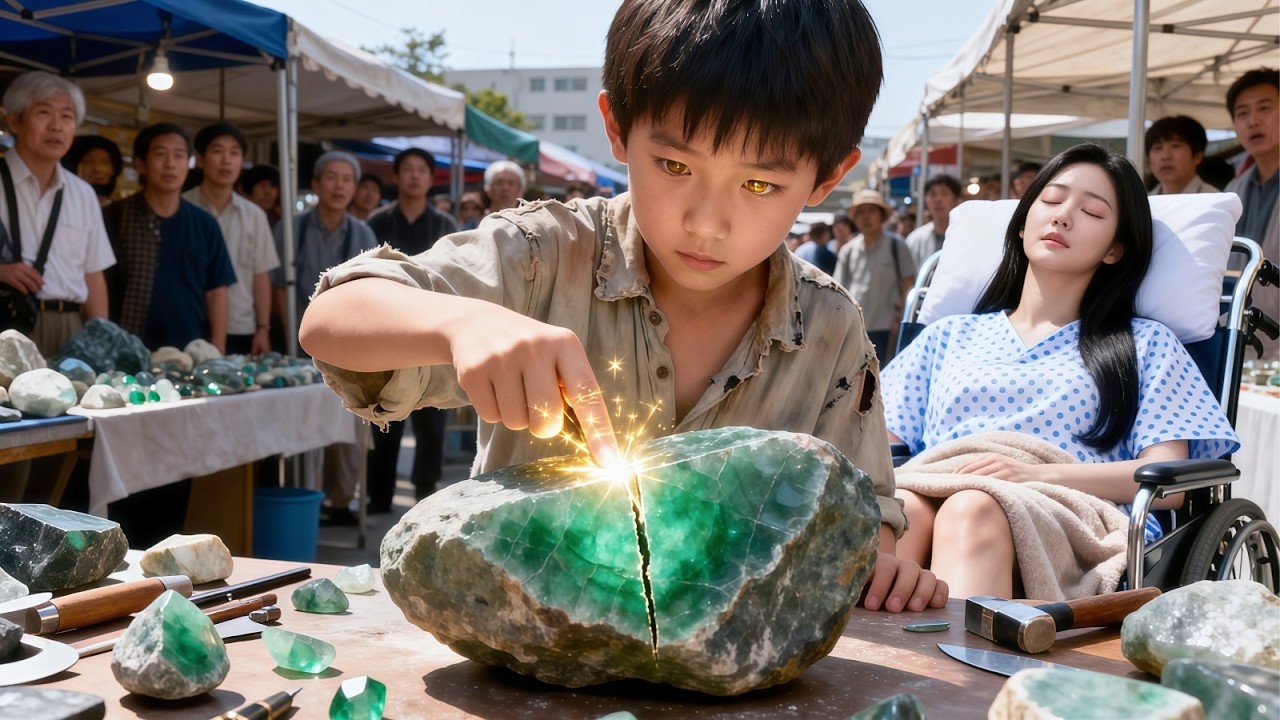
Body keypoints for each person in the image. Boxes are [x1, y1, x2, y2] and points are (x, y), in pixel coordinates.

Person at [301, 0, 947, 615]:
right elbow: (333, 319)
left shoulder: (830, 328)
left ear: (828, 177)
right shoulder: (544, 255)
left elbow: (866, 517)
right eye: (672, 164)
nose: (706, 223)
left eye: (759, 184)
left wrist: (880, 566)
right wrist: (461, 321)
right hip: (520, 656)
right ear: (617, 128)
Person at [882, 143, 1238, 600]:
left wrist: (1033, 476)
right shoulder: (947, 336)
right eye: (1050, 200)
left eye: (1091, 211)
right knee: (894, 513)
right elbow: (883, 452)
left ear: (1114, 250)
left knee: (972, 509)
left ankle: (957, 671)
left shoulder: (1145, 344)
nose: (1063, 216)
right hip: (937, 483)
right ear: (1025, 220)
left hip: (1075, 514)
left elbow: (1165, 483)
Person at [272, 151, 377, 527]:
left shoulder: (362, 232)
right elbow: (276, 286)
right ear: (315, 184)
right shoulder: (292, 227)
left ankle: (341, 501)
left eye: (347, 179)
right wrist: (293, 335)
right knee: (305, 426)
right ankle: (308, 496)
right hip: (297, 342)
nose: (338, 185)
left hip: (347, 344)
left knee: (347, 419)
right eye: (331, 177)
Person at [364, 148, 460, 512]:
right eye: (408, 169)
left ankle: (425, 489)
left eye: (422, 170)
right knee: (383, 412)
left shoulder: (444, 224)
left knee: (433, 415)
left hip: (431, 328)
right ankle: (380, 495)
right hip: (385, 328)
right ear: (397, 176)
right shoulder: (377, 220)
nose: (415, 176)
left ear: (431, 178)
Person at [0, 71, 115, 357]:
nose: (56, 126)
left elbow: (93, 274)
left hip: (69, 325)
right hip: (5, 322)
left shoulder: (82, 193)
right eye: (43, 113)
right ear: (14, 120)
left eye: (66, 116)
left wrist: (101, 339)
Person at [104, 123, 235, 352]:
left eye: (179, 155)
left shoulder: (205, 224)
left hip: (190, 350)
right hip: (126, 349)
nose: (171, 164)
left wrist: (218, 349)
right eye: (160, 154)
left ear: (189, 163)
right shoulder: (115, 217)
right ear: (140, 164)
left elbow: (216, 291)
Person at [184, 123, 281, 356]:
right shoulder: (182, 207)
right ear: (200, 159)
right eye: (217, 151)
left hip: (241, 326)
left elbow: (261, 275)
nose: (227, 160)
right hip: (189, 324)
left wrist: (263, 328)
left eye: (234, 153)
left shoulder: (254, 215)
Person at [1224, 68, 1278, 360]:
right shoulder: (1233, 190)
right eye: (1242, 113)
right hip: (1240, 339)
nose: (1253, 121)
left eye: (1265, 108)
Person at [833, 189, 914, 363]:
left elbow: (908, 282)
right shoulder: (848, 250)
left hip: (887, 326)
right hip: (856, 326)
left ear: (881, 215)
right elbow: (839, 289)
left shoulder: (897, 245)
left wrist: (899, 315)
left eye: (871, 211)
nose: (866, 217)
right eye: (861, 212)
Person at [904, 174, 961, 271]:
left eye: (944, 193)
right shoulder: (915, 240)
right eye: (932, 194)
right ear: (925, 200)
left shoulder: (968, 237)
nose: (938, 199)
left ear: (957, 200)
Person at [1145, 116, 1214, 195]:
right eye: (1158, 148)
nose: (1165, 156)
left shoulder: (1215, 201)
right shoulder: (1141, 202)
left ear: (1197, 157)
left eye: (1175, 146)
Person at [62, 135, 123, 208]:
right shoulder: (64, 205)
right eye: (88, 161)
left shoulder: (121, 209)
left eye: (105, 162)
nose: (97, 169)